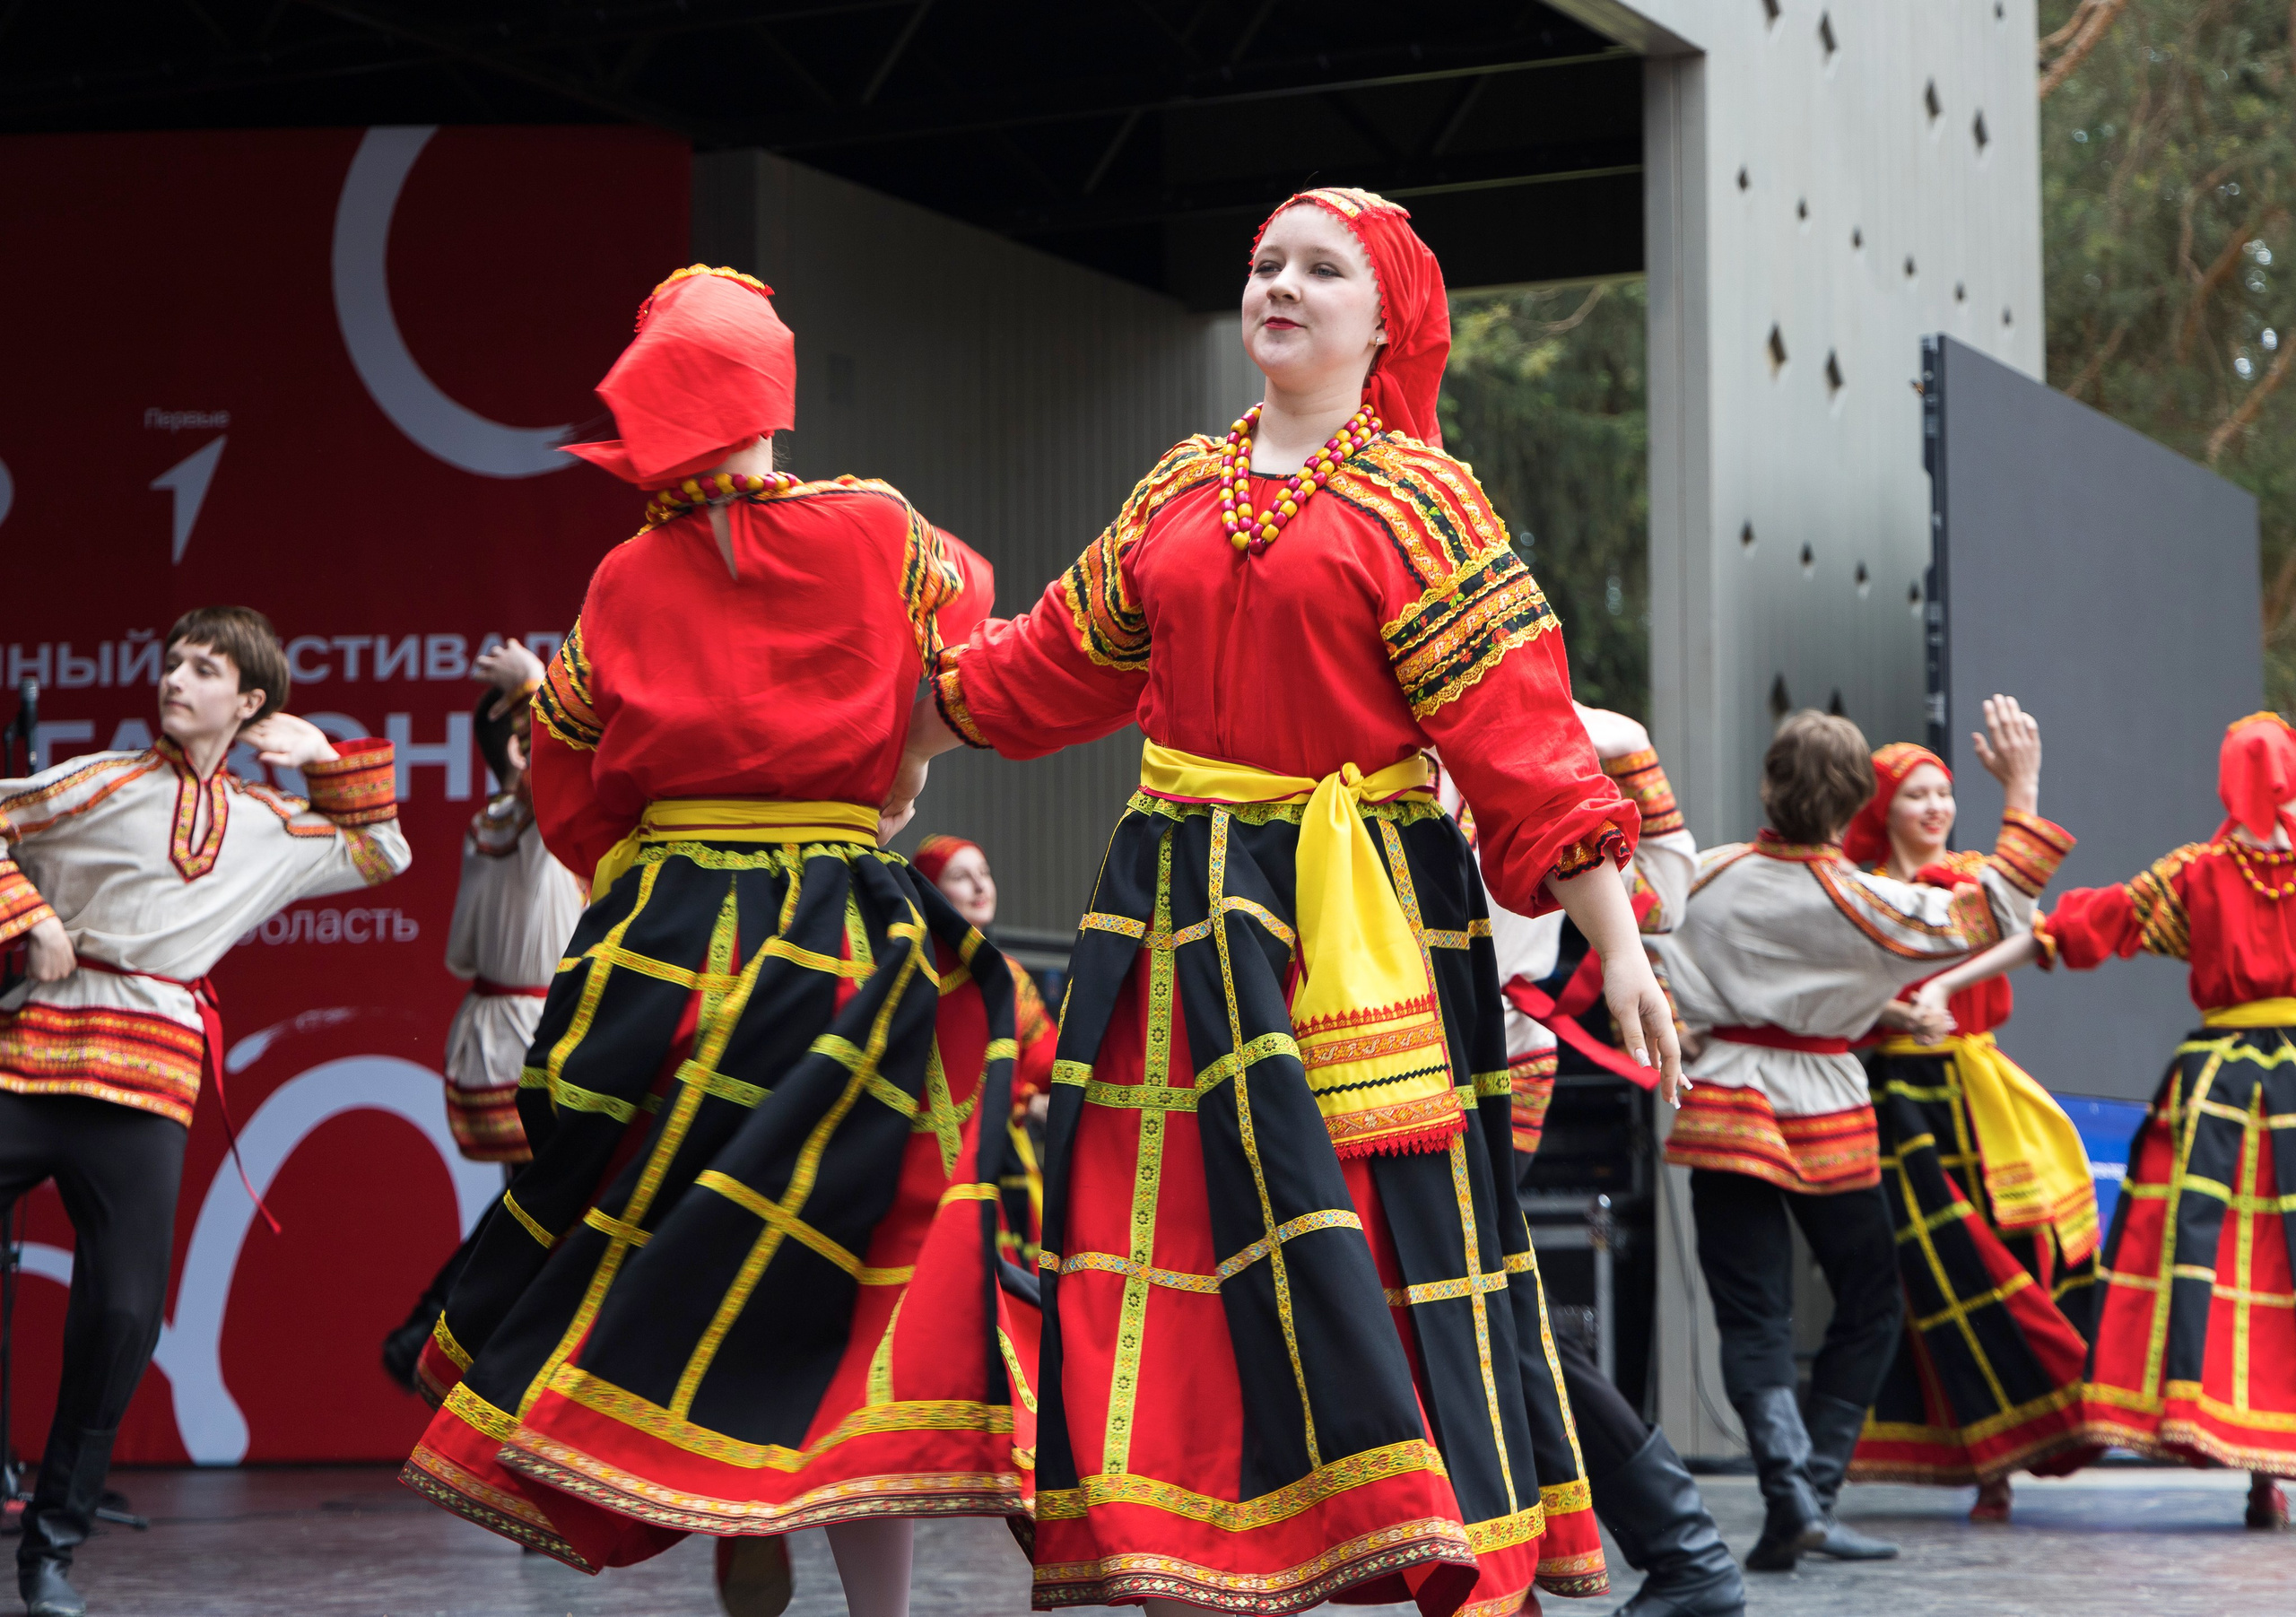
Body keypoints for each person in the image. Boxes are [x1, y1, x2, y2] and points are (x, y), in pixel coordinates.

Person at [894, 187, 1682, 1616]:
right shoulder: (1181, 486)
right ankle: (1192, 1545)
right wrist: (900, 740)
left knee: (1372, 1234)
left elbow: (1522, 731)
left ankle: (1409, 1530)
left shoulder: (1427, 501)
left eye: (1325, 270)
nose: (1285, 287)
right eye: (1266, 263)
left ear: (1387, 322)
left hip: (1354, 918)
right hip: (1179, 908)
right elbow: (1050, 657)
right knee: (1163, 1233)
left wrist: (1617, 936)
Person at [399, 265, 1031, 1617]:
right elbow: (967, 644)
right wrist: (891, 775)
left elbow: (569, 771)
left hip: (671, 935)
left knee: (670, 1239)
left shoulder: (627, 571)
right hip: (836, 926)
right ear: (773, 399)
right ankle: (861, 1584)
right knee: (860, 1252)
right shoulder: (873, 524)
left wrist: (641, 861)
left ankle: (743, 1531)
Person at [0, 606, 409, 1617]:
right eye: (172, 662)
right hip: (33, 1048)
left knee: (125, 1316)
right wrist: (31, 916)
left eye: (205, 669)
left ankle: (51, 1548)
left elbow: (382, 853)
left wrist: (321, 755)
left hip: (146, 1077)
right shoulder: (98, 780)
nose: (176, 679)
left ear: (251, 702)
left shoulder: (270, 825)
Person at [1649, 709, 2071, 1575]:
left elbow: (1638, 938)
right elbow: (1995, 909)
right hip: (1829, 1108)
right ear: (1856, 805)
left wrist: (1682, 1023)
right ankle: (1814, 1491)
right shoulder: (1871, 901)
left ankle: (1791, 1496)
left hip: (1728, 1104)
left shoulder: (1709, 876)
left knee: (1752, 1311)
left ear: (1769, 784)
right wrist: (2021, 785)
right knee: (1873, 1299)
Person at [1958, 709, 2296, 1527]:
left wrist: (1953, 979)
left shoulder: (2198, 872)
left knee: (2219, 1268)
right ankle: (2264, 1477)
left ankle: (2256, 1470)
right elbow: (2078, 928)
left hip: (2218, 1085)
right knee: (2266, 1268)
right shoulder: (2204, 872)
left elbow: (2080, 929)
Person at [1441, 709, 1742, 1616]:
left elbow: (1657, 901)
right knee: (1486, 1308)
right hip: (1443, 1053)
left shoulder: (1499, 736)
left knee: (1489, 1308)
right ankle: (1675, 1550)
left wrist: (1623, 739)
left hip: (1479, 1058)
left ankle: (1678, 1548)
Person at [1832, 709, 2096, 1525]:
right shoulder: (1867, 892)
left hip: (1978, 1095)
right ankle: (1978, 1458)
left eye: (1946, 793)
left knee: (2002, 1256)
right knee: (1934, 1274)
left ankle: (2017, 1446)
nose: (1938, 807)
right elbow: (1835, 992)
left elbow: (2027, 928)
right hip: (1898, 1101)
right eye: (1918, 795)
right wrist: (1894, 1008)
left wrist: (1946, 988)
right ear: (1886, 807)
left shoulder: (1975, 879)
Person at [380, 642, 587, 1396]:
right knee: (542, 1207)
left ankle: (470, 1354)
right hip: (532, 1037)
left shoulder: (488, 826)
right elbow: (551, 786)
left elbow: (461, 950)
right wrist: (536, 686)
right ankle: (436, 1332)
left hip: (498, 1028)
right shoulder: (534, 819)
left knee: (536, 1207)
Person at [911, 833, 1056, 1265]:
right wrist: (1026, 1099)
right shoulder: (917, 972)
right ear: (933, 891)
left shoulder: (1008, 975)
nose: (980, 887)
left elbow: (1044, 1056)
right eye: (961, 876)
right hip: (933, 1155)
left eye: (985, 874)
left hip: (1005, 1157)